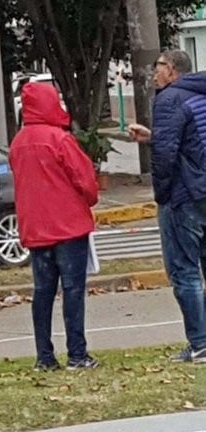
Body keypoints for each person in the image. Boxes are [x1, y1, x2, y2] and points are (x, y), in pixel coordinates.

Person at [9, 82, 99, 371]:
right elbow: (85, 180)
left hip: (36, 227)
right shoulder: (60, 140)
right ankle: (77, 353)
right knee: (73, 290)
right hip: (68, 225)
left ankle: (44, 356)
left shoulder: (19, 142)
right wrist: (89, 199)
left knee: (43, 292)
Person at [129, 50, 206, 363]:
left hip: (184, 195)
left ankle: (200, 343)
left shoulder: (169, 99)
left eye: (157, 66)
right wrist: (154, 137)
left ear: (171, 70)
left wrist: (162, 194)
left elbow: (167, 155)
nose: (154, 73)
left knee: (183, 270)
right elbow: (188, 139)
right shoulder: (198, 94)